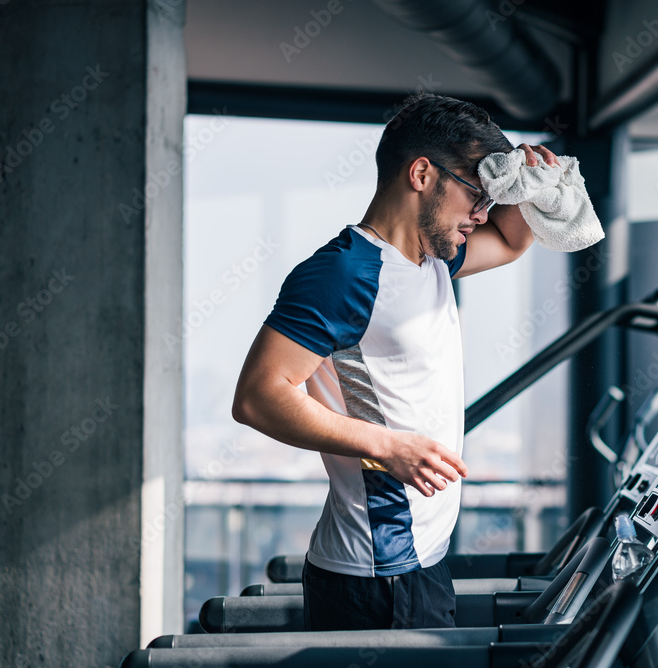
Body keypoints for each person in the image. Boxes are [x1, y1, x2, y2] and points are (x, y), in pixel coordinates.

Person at [231, 92, 559, 631]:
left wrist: (523, 180)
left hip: (420, 562)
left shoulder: (432, 260)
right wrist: (389, 446)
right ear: (422, 173)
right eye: (477, 192)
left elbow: (512, 240)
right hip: (376, 574)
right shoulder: (344, 274)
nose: (482, 213)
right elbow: (258, 396)